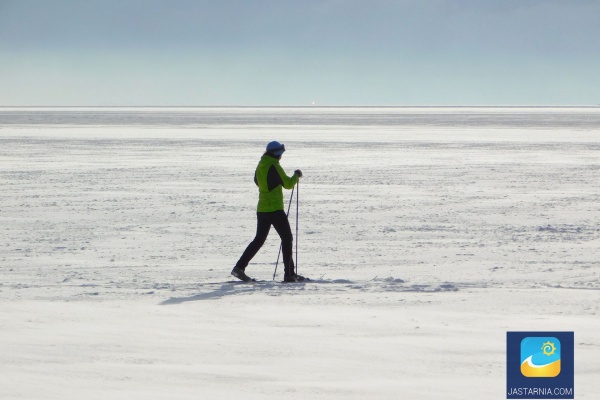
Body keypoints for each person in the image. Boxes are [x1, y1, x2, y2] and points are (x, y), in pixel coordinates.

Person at [231, 141, 305, 282]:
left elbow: (256, 181)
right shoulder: (274, 165)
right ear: (277, 154)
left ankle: (239, 268)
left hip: (262, 209)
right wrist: (296, 175)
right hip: (275, 209)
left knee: (258, 240)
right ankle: (289, 275)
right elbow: (288, 184)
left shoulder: (261, 164)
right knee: (287, 238)